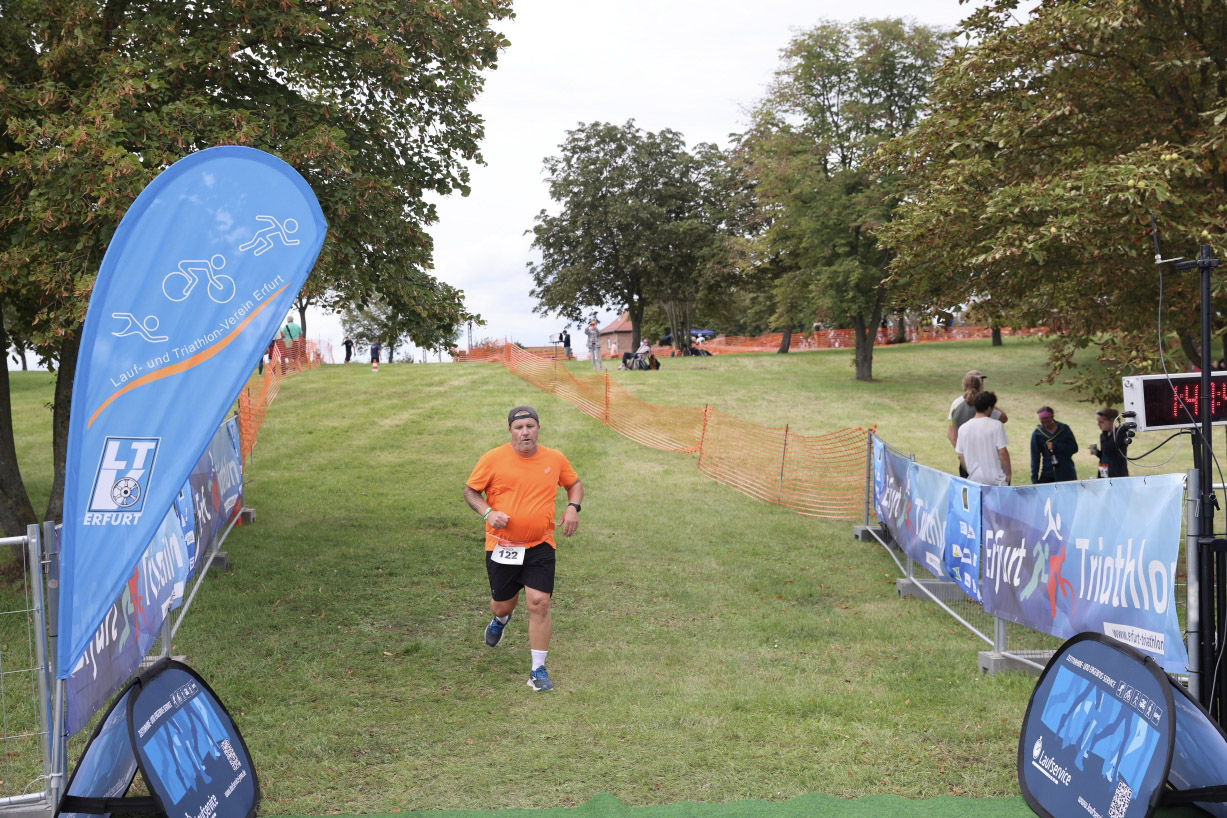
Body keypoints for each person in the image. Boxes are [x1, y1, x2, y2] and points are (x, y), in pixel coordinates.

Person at [463, 406, 583, 692]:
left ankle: (537, 670)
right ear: (510, 431)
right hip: (502, 545)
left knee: (539, 602)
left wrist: (573, 507)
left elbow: (574, 483)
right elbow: (470, 491)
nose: (525, 432)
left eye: (530, 426)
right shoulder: (493, 459)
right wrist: (488, 512)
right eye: (519, 427)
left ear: (538, 428)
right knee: (503, 603)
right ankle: (500, 618)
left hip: (540, 544)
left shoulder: (554, 458)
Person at [947, 370, 1007, 477]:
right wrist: (990, 403)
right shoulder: (983, 403)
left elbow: (951, 434)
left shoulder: (956, 404)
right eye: (981, 381)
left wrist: (963, 452)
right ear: (979, 386)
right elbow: (1004, 418)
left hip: (966, 460)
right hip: (989, 460)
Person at [955, 391, 1012, 486]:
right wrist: (1008, 474)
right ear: (989, 408)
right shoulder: (996, 425)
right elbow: (1002, 452)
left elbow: (960, 456)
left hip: (974, 480)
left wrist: (971, 471)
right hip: (996, 480)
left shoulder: (963, 428)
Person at [1030, 406, 1078, 484]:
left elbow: (1074, 448)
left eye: (1048, 422)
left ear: (1052, 417)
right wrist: (1034, 479)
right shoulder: (1037, 433)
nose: (1045, 425)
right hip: (1048, 473)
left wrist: (1056, 446)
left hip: (1066, 473)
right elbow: (1035, 457)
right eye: (1042, 422)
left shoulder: (1064, 429)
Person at [1089, 407, 1130, 478]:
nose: (1098, 424)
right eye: (1098, 422)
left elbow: (1107, 449)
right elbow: (1105, 454)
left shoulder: (1119, 433)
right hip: (1104, 473)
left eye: (1101, 422)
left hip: (1117, 475)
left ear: (1111, 421)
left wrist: (1104, 433)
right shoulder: (1103, 435)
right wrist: (1096, 452)